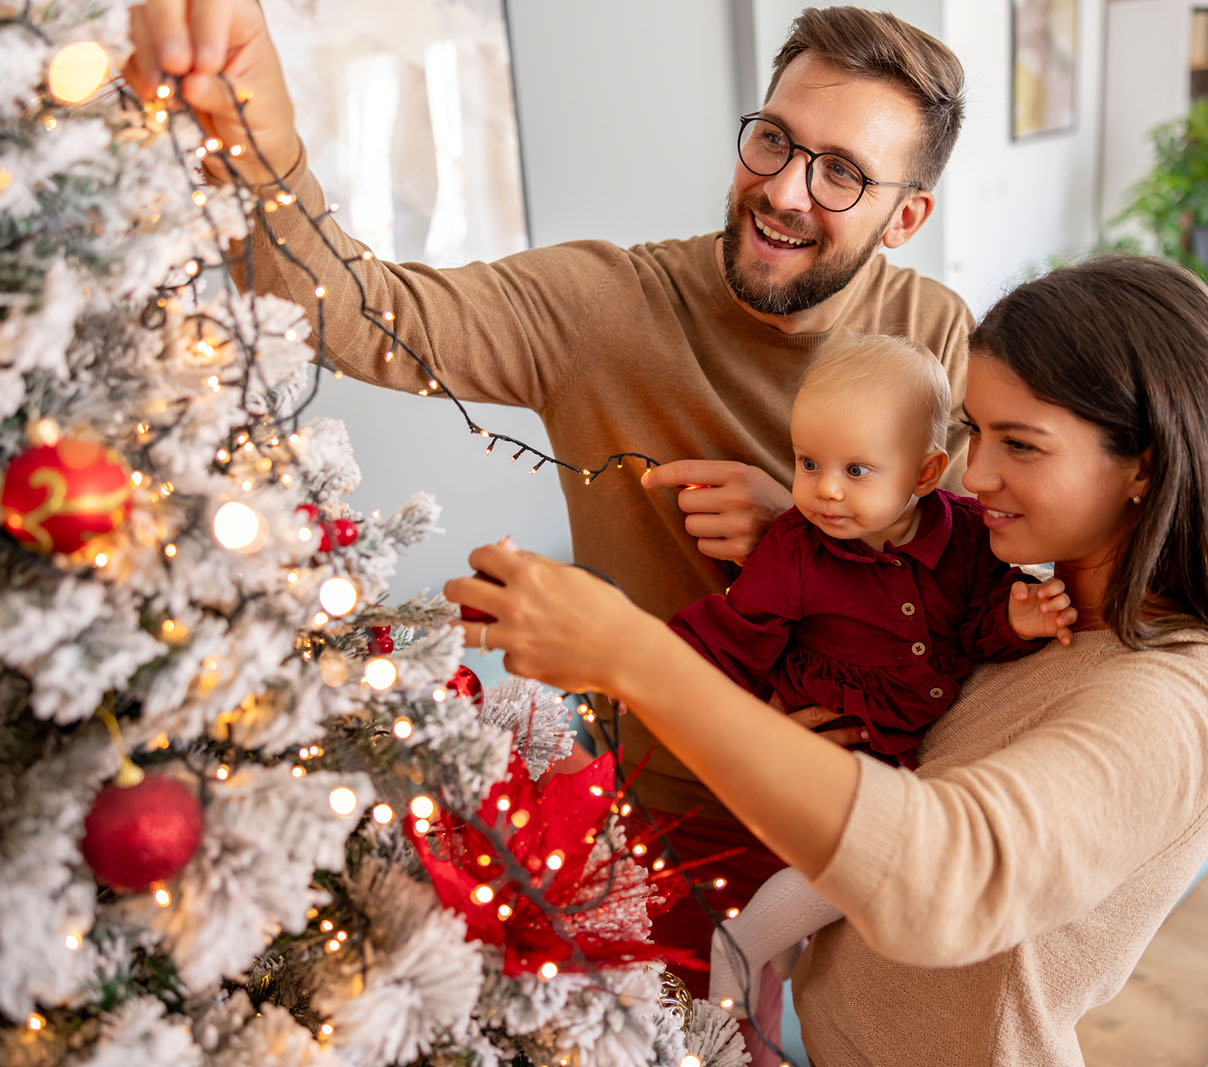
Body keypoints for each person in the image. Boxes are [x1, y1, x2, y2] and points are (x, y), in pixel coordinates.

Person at [127, 4, 972, 1045]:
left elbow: (971, 568)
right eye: (773, 141)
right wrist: (258, 127)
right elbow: (352, 312)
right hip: (678, 816)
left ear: (903, 218)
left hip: (873, 811)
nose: (786, 190)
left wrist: (803, 527)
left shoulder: (934, 335)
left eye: (841, 171)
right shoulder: (607, 305)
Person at [446, 255, 1208, 1065]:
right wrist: (812, 541)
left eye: (1023, 444)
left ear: (1144, 469)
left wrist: (630, 656)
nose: (974, 480)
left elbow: (951, 874)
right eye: (978, 433)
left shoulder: (1176, 698)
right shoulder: (1034, 598)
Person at [669, 332, 1075, 770]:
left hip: (929, 740)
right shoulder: (797, 547)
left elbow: (979, 620)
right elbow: (733, 635)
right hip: (829, 734)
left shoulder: (969, 533)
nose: (825, 489)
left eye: (856, 470)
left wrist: (1016, 619)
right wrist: (732, 721)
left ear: (925, 473)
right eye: (808, 463)